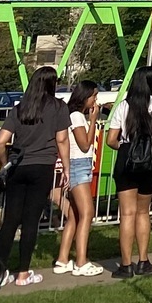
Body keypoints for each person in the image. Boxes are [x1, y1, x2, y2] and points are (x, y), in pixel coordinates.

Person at [0, 66, 69, 287]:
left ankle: (0, 268)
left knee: (11, 220)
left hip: (18, 165)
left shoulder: (19, 109)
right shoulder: (58, 108)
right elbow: (62, 140)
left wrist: (5, 163)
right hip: (43, 165)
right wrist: (66, 168)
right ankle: (23, 273)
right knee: (31, 221)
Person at [107, 68, 152, 279]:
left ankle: (125, 264)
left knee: (127, 213)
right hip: (151, 157)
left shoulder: (124, 106)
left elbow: (111, 140)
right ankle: (143, 260)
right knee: (143, 212)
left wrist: (127, 150)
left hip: (127, 157)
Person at [52, 81, 102, 277]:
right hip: (78, 165)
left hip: (77, 166)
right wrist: (93, 121)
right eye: (93, 96)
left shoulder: (72, 115)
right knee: (88, 213)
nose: (95, 100)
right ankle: (81, 261)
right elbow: (85, 144)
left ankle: (63, 258)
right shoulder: (77, 116)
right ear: (85, 97)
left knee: (75, 215)